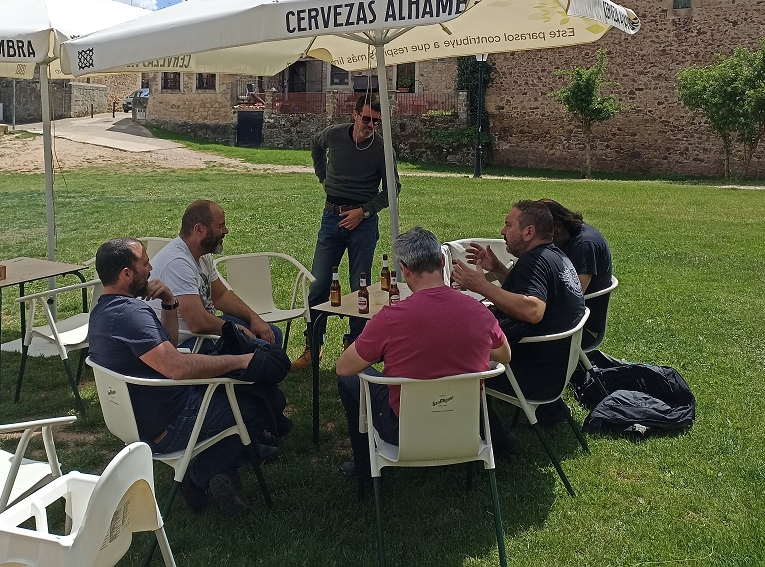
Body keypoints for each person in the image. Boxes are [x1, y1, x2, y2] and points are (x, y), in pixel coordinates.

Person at [87, 237, 266, 514]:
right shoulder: (132, 315)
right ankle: (199, 476)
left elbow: (166, 347)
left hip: (132, 421)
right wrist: (240, 360)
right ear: (126, 274)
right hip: (167, 427)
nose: (151, 268)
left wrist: (170, 303)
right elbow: (177, 367)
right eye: (145, 263)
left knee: (229, 393)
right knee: (256, 406)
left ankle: (221, 471)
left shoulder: (103, 310)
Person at [335, 227, 510, 480]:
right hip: (466, 425)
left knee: (350, 381)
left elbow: (344, 367)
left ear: (404, 269)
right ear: (442, 262)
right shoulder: (479, 312)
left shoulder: (390, 319)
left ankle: (364, 470)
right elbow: (504, 356)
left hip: (403, 430)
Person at [451, 200, 586, 444]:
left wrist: (481, 286)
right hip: (560, 366)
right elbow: (525, 291)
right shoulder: (554, 256)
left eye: (508, 224)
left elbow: (533, 309)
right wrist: (497, 268)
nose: (502, 231)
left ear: (528, 232)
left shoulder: (535, 262)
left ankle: (496, 442)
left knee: (451, 359)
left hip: (534, 375)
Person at [293, 93, 400, 370]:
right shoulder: (334, 135)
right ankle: (312, 345)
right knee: (319, 284)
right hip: (332, 216)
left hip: (362, 222)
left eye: (376, 121)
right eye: (366, 119)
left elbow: (393, 189)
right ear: (354, 115)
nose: (370, 126)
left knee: (359, 286)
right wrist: (323, 177)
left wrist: (364, 212)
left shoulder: (382, 149)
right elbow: (316, 144)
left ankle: (355, 349)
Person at [150, 200, 282, 349]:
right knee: (264, 349)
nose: (226, 231)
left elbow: (220, 295)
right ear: (199, 229)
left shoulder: (202, 254)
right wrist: (237, 330)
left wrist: (254, 318)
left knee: (273, 334)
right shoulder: (177, 263)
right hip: (185, 344)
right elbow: (197, 323)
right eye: (220, 226)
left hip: (202, 333)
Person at [540, 198, 613, 294]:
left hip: (586, 302)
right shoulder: (567, 235)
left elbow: (575, 293)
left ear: (556, 227)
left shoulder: (584, 244)